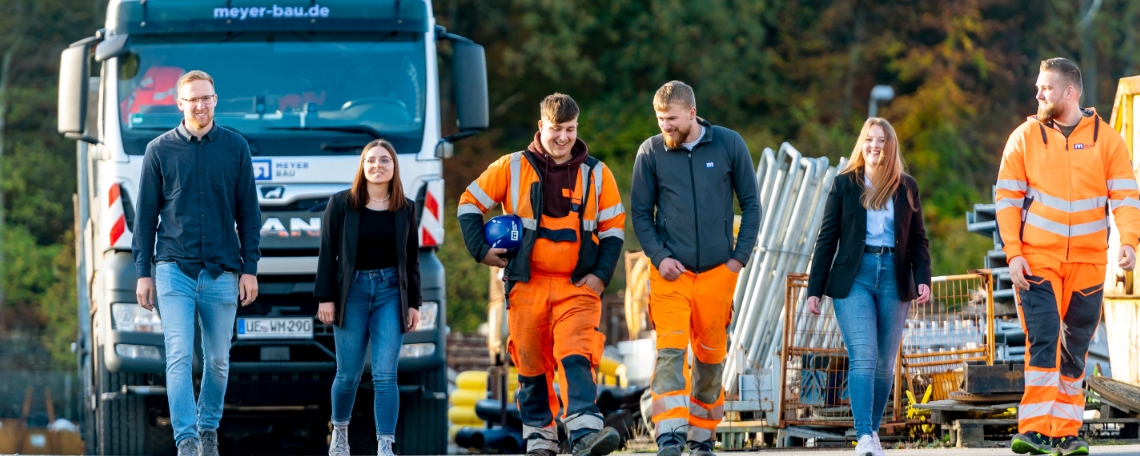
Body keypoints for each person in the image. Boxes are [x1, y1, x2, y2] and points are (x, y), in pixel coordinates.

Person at [457, 93, 625, 455]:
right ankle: (540, 442)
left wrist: (600, 276)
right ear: (541, 127)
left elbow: (614, 229)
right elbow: (468, 203)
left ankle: (584, 434)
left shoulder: (597, 173)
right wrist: (481, 251)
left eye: (570, 129)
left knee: (576, 352)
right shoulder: (511, 167)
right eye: (556, 129)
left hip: (577, 285)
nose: (563, 137)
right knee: (531, 365)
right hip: (526, 285)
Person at [996, 57, 1140, 456]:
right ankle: (1035, 430)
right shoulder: (1024, 137)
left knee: (1074, 349)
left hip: (1090, 264)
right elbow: (1006, 201)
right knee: (1042, 340)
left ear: (1070, 92)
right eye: (1038, 87)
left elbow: (1126, 197)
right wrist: (1013, 255)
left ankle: (1066, 432)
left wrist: (1129, 241)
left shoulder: (1107, 139)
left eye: (1046, 88)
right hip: (1037, 261)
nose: (1038, 93)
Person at [132, 70, 261, 456]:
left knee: (218, 362)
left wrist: (250, 267)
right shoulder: (159, 151)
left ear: (215, 100)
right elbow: (144, 218)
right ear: (180, 104)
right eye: (193, 100)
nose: (200, 106)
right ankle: (186, 440)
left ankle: (208, 429)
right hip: (174, 269)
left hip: (223, 272)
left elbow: (249, 214)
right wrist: (143, 274)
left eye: (206, 98)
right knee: (179, 357)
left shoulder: (236, 148)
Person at [630, 80, 762, 456]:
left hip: (718, 274)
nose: (665, 127)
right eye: (659, 120)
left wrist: (739, 259)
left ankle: (701, 436)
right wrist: (659, 256)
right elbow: (641, 214)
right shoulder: (650, 153)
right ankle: (670, 435)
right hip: (670, 273)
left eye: (671, 119)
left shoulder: (728, 144)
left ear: (691, 112)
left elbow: (751, 204)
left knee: (709, 358)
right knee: (670, 353)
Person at [805, 117, 932, 456]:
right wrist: (814, 289)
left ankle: (872, 432)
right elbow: (827, 237)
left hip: (894, 275)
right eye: (869, 140)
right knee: (863, 355)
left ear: (891, 147)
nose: (875, 146)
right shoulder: (845, 184)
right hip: (855, 277)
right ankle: (863, 436)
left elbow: (919, 239)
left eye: (882, 141)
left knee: (884, 363)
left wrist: (923, 278)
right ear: (862, 145)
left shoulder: (906, 186)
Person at [314, 139, 422, 456]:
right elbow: (327, 255)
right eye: (371, 160)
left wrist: (414, 303)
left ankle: (385, 444)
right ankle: (341, 433)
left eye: (384, 160)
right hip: (352, 293)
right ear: (362, 166)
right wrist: (325, 298)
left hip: (391, 292)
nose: (377, 165)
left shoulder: (406, 208)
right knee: (347, 375)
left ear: (393, 167)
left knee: (386, 375)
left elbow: (412, 260)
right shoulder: (341, 204)